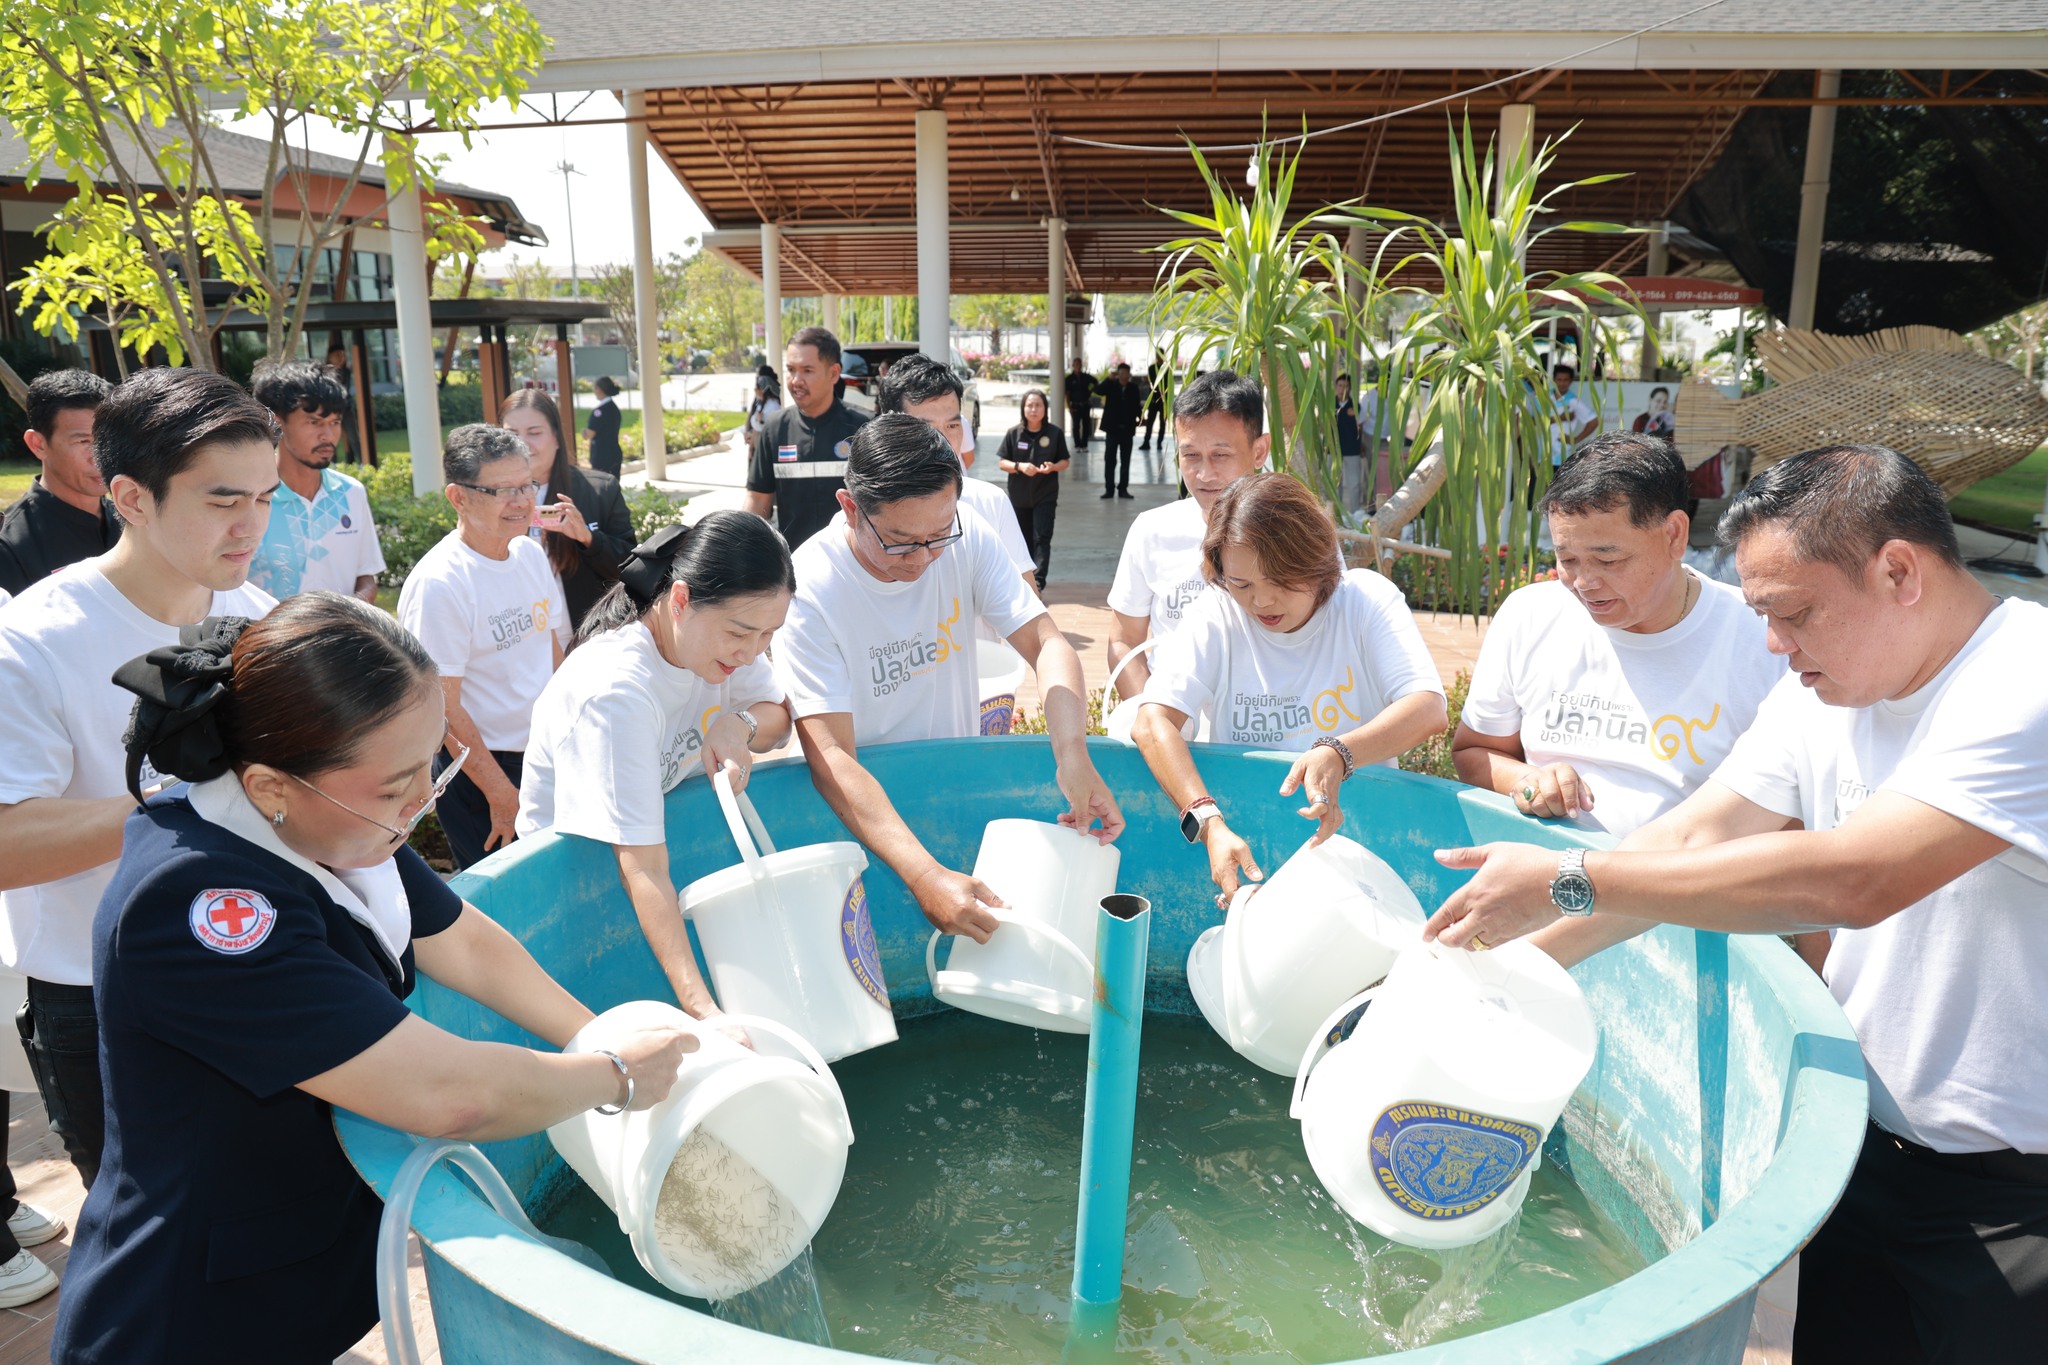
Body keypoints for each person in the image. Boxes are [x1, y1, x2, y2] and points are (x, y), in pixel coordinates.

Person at [1422, 444, 2048, 1363]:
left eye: (1791, 612)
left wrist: (1568, 876)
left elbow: (1855, 878)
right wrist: (1498, 976)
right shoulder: (1821, 692)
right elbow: (1692, 839)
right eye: (1761, 615)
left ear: (1898, 572)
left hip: (2018, 1198)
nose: (1772, 645)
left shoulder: (2024, 679)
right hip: (1866, 1151)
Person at [49, 594, 691, 1363]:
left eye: (431, 763)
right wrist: (616, 1075)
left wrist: (593, 1032)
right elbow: (451, 1095)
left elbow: (464, 942)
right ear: (270, 786)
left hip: (287, 1271)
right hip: (189, 1313)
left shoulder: (330, 820)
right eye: (396, 786)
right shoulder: (193, 905)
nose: (423, 800)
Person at [0, 368, 280, 1200]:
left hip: (254, 958)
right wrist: (179, 796)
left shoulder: (258, 616)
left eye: (264, 498)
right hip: (102, 996)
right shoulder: (34, 641)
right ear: (131, 496)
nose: (250, 525)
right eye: (224, 500)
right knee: (151, 1236)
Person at [774, 414, 1123, 944]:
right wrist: (922, 874)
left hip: (958, 783)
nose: (923, 559)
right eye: (900, 541)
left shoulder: (966, 536)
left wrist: (1072, 752)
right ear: (850, 507)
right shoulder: (811, 591)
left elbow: (1047, 643)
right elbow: (831, 756)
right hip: (871, 813)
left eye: (938, 535)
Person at [519, 512, 795, 1022]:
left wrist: (739, 724)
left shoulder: (723, 645)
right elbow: (641, 868)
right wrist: (706, 1013)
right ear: (681, 600)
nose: (752, 652)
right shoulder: (616, 692)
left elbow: (779, 717)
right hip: (573, 893)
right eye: (741, 633)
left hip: (646, 868)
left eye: (768, 636)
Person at [1133, 473, 1447, 904]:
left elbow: (1427, 707)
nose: (1261, 602)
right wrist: (1208, 823)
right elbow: (1152, 722)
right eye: (1241, 584)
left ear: (1315, 558)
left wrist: (1339, 752)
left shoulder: (1364, 600)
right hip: (1250, 851)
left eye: (1280, 580)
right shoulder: (1217, 612)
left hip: (1360, 857)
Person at [1453, 433, 1782, 836]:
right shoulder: (1530, 615)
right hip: (1540, 865)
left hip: (1685, 871)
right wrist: (1527, 782)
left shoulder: (1765, 638)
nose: (1584, 582)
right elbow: (1474, 751)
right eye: (1567, 559)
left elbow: (1792, 811)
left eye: (1608, 560)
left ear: (1674, 535)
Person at [396, 425, 568, 870]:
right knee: (511, 896)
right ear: (459, 497)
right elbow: (441, 707)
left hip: (544, 756)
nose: (523, 501)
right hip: (484, 776)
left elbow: (551, 652)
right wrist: (499, 792)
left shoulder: (529, 554)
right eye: (503, 491)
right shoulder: (441, 583)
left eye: (527, 485)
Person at [1107, 369, 1268, 702]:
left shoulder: (1297, 531)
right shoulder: (1151, 531)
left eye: (1220, 455)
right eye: (1190, 455)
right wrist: (1155, 718)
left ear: (1259, 451)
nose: (1204, 474)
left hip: (1268, 727)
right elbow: (1123, 641)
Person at [874, 352, 1036, 600]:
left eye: (952, 426)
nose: (942, 441)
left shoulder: (990, 503)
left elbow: (1027, 600)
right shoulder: (867, 513)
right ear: (890, 429)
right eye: (926, 428)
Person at [246, 361, 383, 603]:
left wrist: (344, 616)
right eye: (314, 422)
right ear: (277, 424)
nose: (328, 436)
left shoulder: (351, 492)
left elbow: (366, 577)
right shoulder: (249, 499)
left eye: (335, 422)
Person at [501, 389, 634, 632]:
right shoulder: (488, 497)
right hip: (515, 638)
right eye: (511, 435)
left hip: (583, 638)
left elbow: (629, 567)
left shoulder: (599, 490)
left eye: (534, 433)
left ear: (556, 438)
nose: (522, 444)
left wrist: (589, 539)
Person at [744, 326, 870, 550]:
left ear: (834, 373)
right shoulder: (775, 429)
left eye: (807, 370)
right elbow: (758, 500)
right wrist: (739, 550)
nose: (796, 380)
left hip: (854, 561)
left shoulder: (865, 427)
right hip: (793, 562)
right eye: (791, 370)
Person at [0, 370, 118, 595]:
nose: (102, 456)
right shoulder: (9, 546)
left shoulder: (137, 522)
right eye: (84, 441)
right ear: (38, 444)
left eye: (108, 440)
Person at [998, 389, 1071, 592]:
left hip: (1045, 495)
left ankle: (1038, 582)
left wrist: (1053, 467)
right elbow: (1002, 462)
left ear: (1045, 409)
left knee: (1041, 537)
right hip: (1019, 497)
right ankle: (1024, 580)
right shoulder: (1014, 433)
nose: (1033, 409)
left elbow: (1065, 461)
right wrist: (1019, 466)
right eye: (1029, 405)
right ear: (1023, 408)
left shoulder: (1054, 433)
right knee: (1021, 540)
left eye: (1038, 405)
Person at [1097, 362, 1143, 499]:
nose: (1124, 376)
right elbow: (1098, 390)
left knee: (1125, 461)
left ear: (1129, 375)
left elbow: (1137, 406)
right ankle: (1109, 489)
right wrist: (1108, 379)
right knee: (1110, 460)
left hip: (1127, 430)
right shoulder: (1111, 385)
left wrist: (1141, 419)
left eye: (1126, 374)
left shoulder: (1133, 387)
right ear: (1118, 374)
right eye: (1121, 373)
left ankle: (1123, 489)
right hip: (1112, 430)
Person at [1550, 362, 1599, 466]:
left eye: (1565, 380)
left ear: (1571, 381)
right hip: (1541, 455)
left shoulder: (1573, 401)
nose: (1562, 383)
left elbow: (1594, 421)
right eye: (1559, 380)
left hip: (1561, 457)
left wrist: (1576, 440)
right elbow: (1533, 420)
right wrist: (1560, 418)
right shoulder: (1543, 397)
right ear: (1554, 379)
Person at [585, 375, 625, 477]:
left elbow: (590, 433)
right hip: (614, 453)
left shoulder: (599, 411)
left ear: (599, 389)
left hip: (601, 456)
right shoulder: (614, 409)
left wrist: (584, 432)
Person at [1064, 355, 1096, 448]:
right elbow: (1067, 394)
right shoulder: (1069, 379)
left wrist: (1090, 391)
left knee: (1086, 425)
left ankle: (1084, 444)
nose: (1078, 366)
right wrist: (1069, 407)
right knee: (1076, 426)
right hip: (1075, 405)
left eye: (1079, 364)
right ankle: (1077, 444)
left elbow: (1095, 382)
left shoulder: (1086, 377)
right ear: (1073, 365)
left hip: (1085, 404)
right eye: (1076, 364)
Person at [1138, 360, 1165, 452]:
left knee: (1162, 423)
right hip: (1154, 399)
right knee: (1150, 422)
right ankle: (1147, 441)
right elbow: (1151, 381)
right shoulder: (1152, 368)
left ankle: (1159, 442)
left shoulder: (1166, 368)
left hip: (1162, 400)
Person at [746, 370, 782, 437]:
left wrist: (760, 421)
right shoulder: (761, 403)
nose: (755, 391)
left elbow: (773, 428)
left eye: (757, 389)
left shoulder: (773, 405)